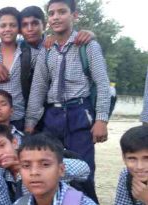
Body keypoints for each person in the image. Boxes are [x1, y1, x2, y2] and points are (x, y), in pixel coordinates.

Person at [24, 0, 110, 202]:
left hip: (79, 113)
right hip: (52, 117)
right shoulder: (47, 49)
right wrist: (30, 123)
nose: (56, 17)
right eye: (52, 13)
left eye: (62, 12)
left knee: (83, 173)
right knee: (48, 171)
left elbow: (102, 83)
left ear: (74, 15)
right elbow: (38, 88)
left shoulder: (88, 45)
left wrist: (101, 120)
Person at [0, 124, 91, 202]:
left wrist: (48, 167)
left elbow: (84, 169)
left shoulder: (38, 156)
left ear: (14, 143)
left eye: (2, 145)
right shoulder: (4, 177)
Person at [14, 132, 96, 205]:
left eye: (45, 164)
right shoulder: (20, 203)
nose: (34, 172)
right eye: (26, 166)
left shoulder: (82, 203)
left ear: (61, 169)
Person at [0, 7, 25, 129]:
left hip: (19, 117)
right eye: (3, 25)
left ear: (19, 29)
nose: (7, 29)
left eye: (12, 25)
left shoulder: (27, 53)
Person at [114, 126, 148, 204]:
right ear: (124, 158)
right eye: (132, 158)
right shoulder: (127, 175)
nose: (139, 167)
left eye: (146, 158)